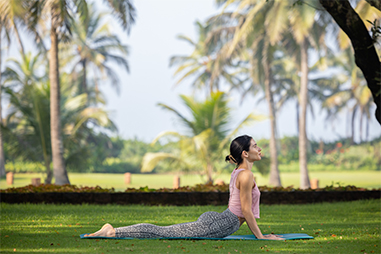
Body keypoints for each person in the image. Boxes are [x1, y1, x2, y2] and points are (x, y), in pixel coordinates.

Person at [84, 135, 283, 240]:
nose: (259, 149)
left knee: (164, 231)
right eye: (255, 146)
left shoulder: (239, 172)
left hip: (219, 218)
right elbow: (246, 210)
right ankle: (112, 232)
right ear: (246, 154)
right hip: (223, 223)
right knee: (162, 232)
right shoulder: (246, 174)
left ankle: (112, 230)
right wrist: (261, 236)